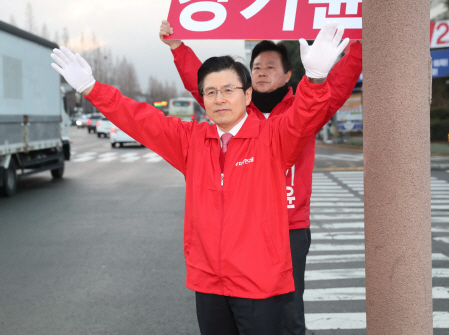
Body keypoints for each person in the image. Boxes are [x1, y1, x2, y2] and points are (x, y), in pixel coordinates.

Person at [50, 22, 348, 335]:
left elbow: (305, 116)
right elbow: (139, 119)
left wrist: (315, 79)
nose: (220, 98)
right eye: (211, 91)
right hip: (209, 283)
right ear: (202, 98)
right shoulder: (191, 141)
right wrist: (91, 89)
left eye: (229, 90)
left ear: (247, 95)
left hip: (260, 285)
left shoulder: (273, 138)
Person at [160, 20, 362, 335]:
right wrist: (178, 48)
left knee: (289, 313)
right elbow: (203, 85)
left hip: (290, 223)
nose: (262, 71)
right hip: (249, 229)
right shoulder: (238, 113)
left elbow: (337, 84)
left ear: (288, 74)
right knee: (246, 314)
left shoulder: (304, 109)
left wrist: (359, 44)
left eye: (271, 66)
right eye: (256, 67)